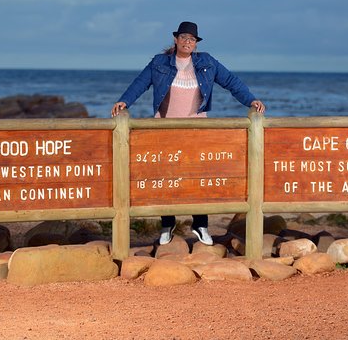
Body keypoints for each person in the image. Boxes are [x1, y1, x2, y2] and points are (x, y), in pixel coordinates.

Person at [111, 21, 265, 246]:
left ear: (196, 43)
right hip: (165, 128)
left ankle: (200, 225)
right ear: (176, 39)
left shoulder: (207, 62)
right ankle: (167, 225)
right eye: (183, 37)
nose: (187, 42)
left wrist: (250, 99)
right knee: (166, 176)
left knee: (199, 177)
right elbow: (140, 83)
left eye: (191, 39)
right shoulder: (159, 62)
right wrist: (124, 101)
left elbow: (231, 81)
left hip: (197, 129)